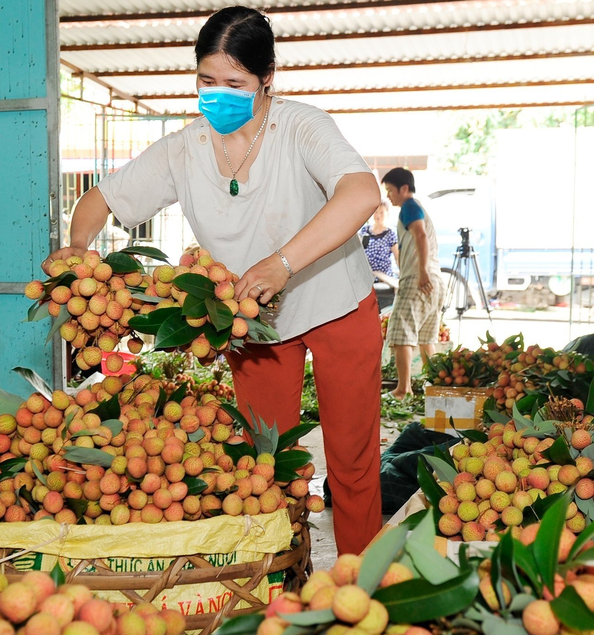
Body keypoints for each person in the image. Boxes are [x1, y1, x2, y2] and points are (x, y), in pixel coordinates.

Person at [42, 6, 383, 555]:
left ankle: (361, 582)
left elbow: (362, 193)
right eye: (206, 80)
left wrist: (282, 263)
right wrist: (79, 251)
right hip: (254, 320)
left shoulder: (302, 127)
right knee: (264, 463)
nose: (217, 93)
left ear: (267, 77)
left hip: (337, 305)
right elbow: (99, 199)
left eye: (234, 82)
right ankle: (277, 577)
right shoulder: (186, 148)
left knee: (351, 459)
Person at [382, 167, 443, 400]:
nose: (388, 195)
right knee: (426, 337)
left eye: (390, 190)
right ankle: (435, 386)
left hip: (419, 280)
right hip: (433, 280)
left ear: (404, 189)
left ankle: (403, 388)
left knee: (400, 333)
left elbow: (420, 235)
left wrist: (421, 272)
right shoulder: (416, 207)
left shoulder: (409, 206)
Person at [359, 199, 399, 281]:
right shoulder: (364, 230)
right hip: (365, 276)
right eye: (376, 212)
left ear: (387, 213)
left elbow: (397, 258)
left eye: (381, 212)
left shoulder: (390, 234)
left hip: (383, 278)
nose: (378, 215)